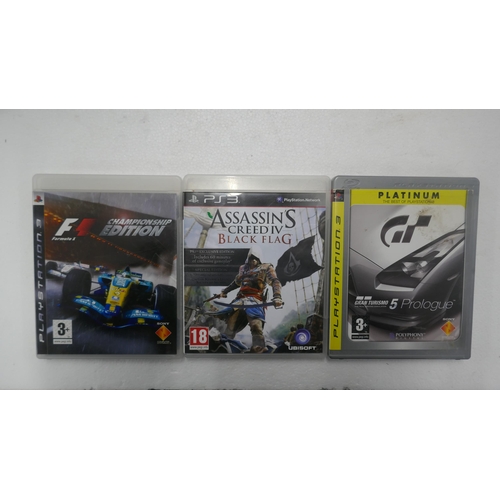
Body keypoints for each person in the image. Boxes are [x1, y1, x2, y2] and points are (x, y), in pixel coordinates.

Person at [215, 246, 283, 353]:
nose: (253, 260)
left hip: (255, 301)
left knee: (256, 325)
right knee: (230, 327)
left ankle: (259, 348)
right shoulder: (243, 269)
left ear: (259, 258)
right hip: (240, 300)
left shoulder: (266, 267)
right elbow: (236, 283)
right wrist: (224, 292)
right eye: (251, 258)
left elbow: (275, 281)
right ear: (248, 258)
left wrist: (277, 296)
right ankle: (224, 348)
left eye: (256, 258)